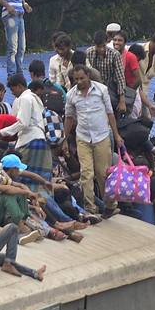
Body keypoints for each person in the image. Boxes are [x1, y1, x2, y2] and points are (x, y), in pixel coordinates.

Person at [62, 66, 123, 212]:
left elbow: (110, 113)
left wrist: (116, 135)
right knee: (86, 173)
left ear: (88, 76)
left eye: (82, 78)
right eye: (76, 79)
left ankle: (110, 205)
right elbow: (69, 118)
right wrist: (64, 139)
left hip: (101, 136)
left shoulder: (101, 90)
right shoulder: (71, 95)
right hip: (83, 137)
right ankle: (90, 207)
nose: (79, 82)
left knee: (103, 173)